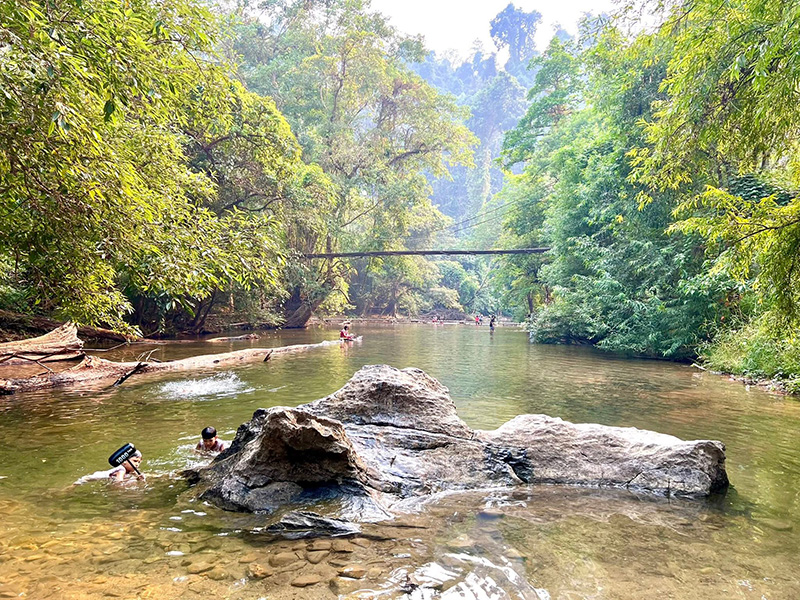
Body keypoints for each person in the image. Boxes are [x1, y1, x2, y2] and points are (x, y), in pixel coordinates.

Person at [74, 450, 145, 484]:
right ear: (124, 461)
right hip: (98, 476)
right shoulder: (121, 470)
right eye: (135, 461)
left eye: (139, 462)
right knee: (79, 482)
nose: (137, 464)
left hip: (105, 476)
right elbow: (119, 482)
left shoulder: (131, 471)